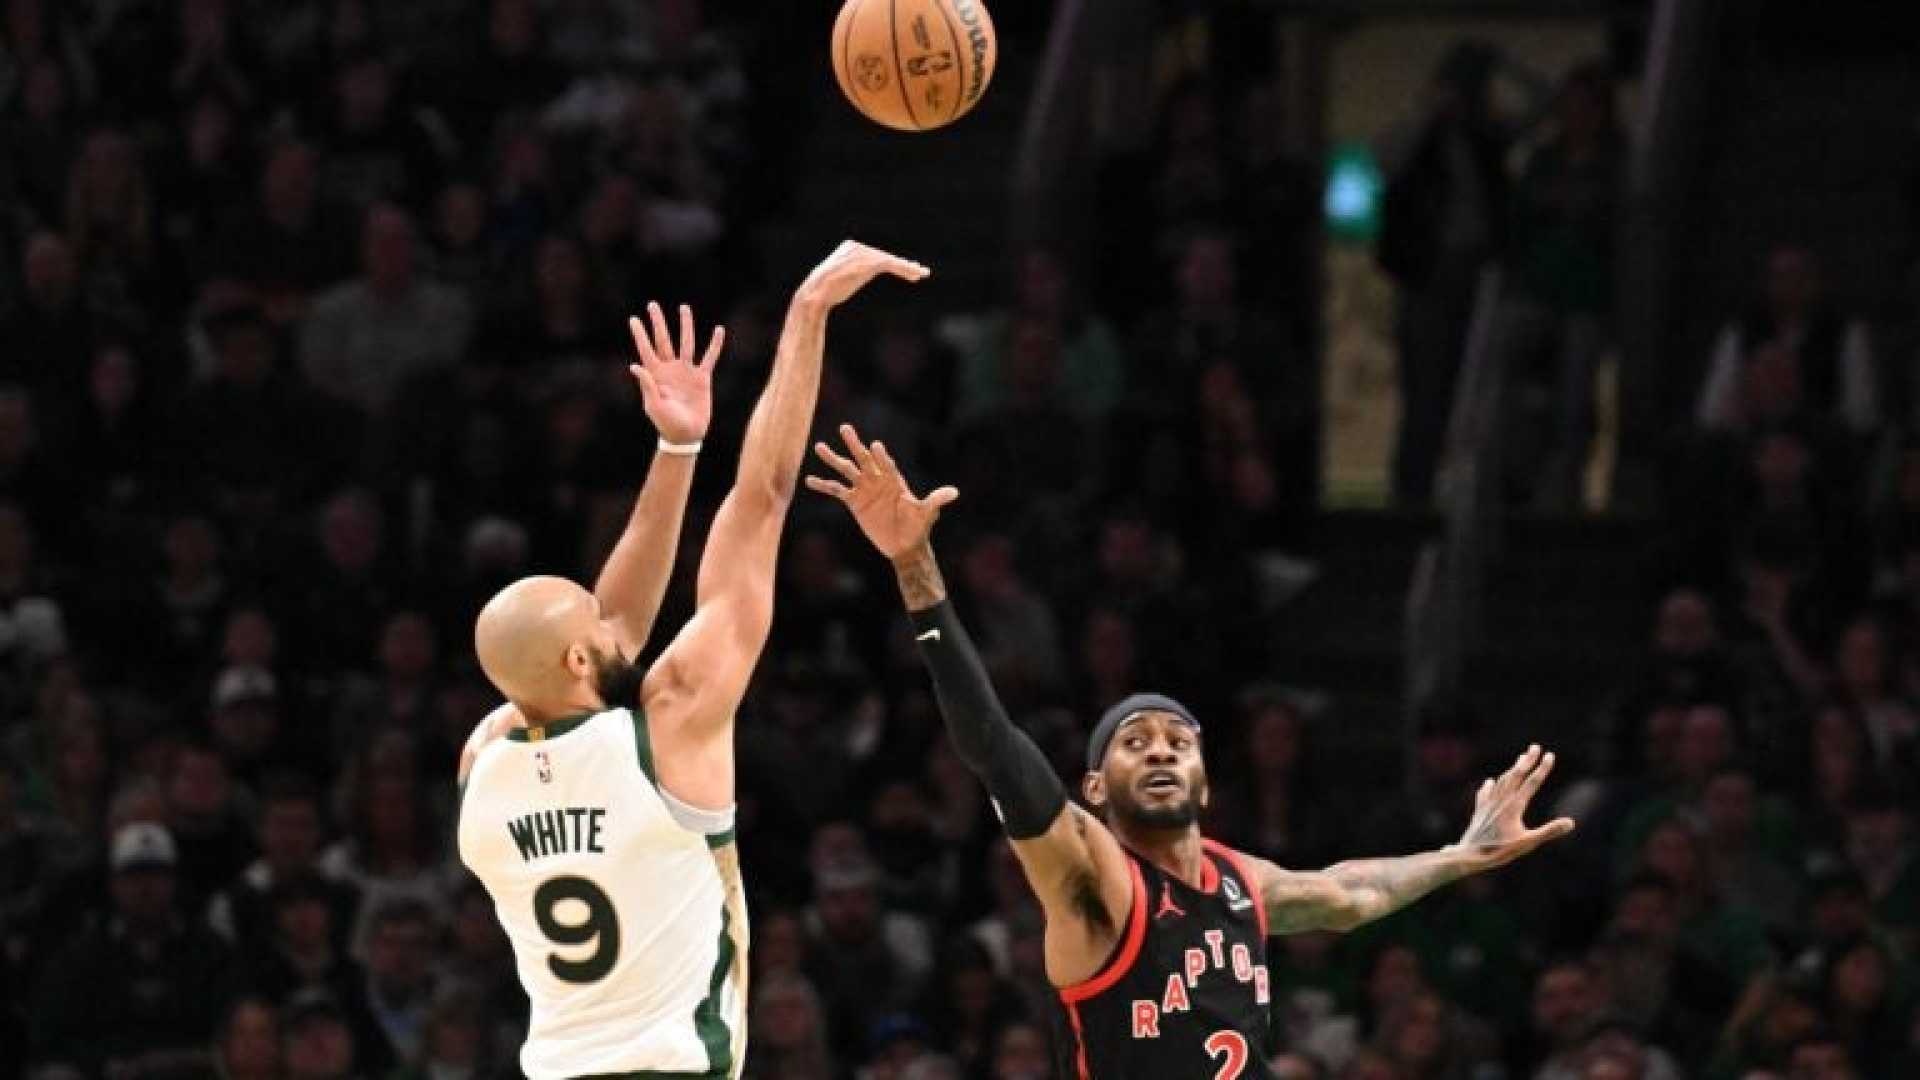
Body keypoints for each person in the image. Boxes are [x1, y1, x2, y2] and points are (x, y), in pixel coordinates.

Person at [808, 422, 1577, 1079]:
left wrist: (1461, 855)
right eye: (1135, 743)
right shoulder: (1094, 878)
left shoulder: (1243, 882)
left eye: (1180, 741)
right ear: (1096, 790)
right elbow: (992, 745)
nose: (1162, 752)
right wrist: (915, 565)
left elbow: (1353, 893)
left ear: (1207, 785)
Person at [455, 241, 928, 1079]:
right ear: (577, 657)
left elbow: (609, 638)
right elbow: (764, 500)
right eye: (592, 622)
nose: (611, 618)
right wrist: (809, 313)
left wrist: (677, 451)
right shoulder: (668, 729)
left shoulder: (483, 765)